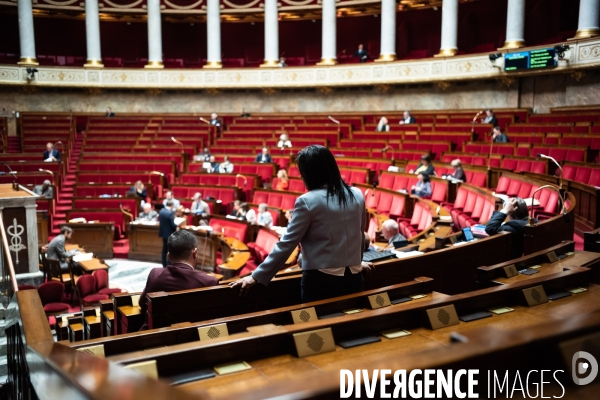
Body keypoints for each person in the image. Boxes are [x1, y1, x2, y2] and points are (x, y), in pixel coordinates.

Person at [230, 145, 373, 303]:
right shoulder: (357, 194)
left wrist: (256, 276)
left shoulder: (308, 201)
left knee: (318, 326)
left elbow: (287, 244)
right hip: (354, 278)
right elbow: (358, 235)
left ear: (310, 173)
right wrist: (356, 263)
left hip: (321, 281)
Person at [139, 230, 219, 328]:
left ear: (169, 256)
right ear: (195, 253)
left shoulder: (155, 274)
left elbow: (142, 304)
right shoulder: (210, 282)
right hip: (194, 339)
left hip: (154, 337)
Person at [159, 201, 178, 267]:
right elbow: (172, 225)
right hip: (170, 234)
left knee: (164, 249)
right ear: (172, 205)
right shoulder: (170, 213)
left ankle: (164, 263)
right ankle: (169, 264)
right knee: (170, 250)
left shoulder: (161, 212)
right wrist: (177, 225)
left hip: (163, 234)